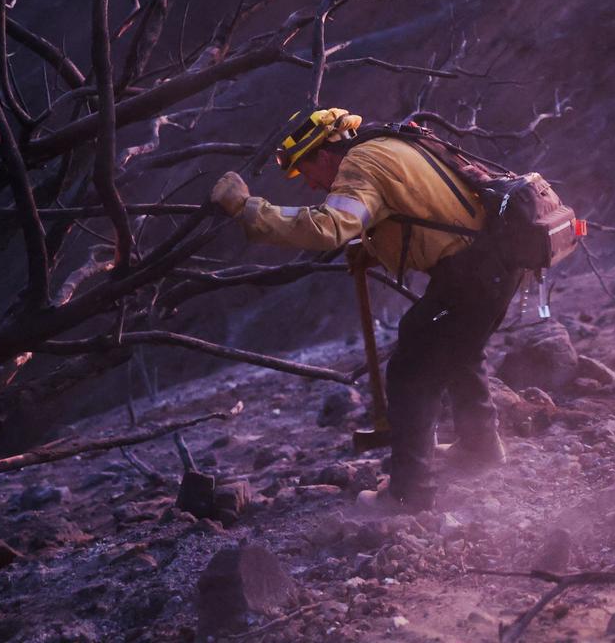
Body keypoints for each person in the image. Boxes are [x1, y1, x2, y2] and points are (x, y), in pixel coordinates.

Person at [209, 108, 519, 511]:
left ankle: (409, 495)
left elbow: (327, 226)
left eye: (307, 172)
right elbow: (418, 208)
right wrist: (372, 251)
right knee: (457, 349)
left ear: (324, 154)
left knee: (412, 371)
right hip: (492, 265)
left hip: (472, 273)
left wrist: (248, 209)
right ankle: (481, 449)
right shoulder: (387, 146)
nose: (312, 184)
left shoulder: (358, 163)